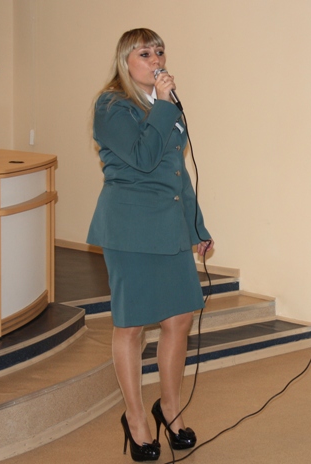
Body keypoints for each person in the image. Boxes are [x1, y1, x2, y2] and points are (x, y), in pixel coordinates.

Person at [87, 28, 213, 461]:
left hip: (170, 227)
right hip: (130, 230)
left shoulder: (166, 106)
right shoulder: (111, 105)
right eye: (145, 53)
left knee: (179, 319)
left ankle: (170, 409)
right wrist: (162, 105)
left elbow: (177, 171)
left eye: (159, 51)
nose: (156, 59)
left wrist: (197, 226)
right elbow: (142, 158)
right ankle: (136, 418)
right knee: (132, 326)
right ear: (125, 61)